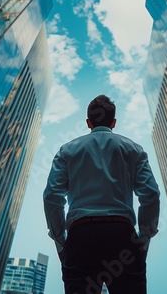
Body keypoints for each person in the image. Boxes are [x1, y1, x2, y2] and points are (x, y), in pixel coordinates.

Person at [43, 94, 160, 294]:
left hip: (81, 236)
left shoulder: (66, 151)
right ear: (114, 122)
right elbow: (150, 194)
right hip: (122, 235)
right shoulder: (135, 150)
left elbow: (52, 197)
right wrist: (143, 238)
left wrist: (61, 240)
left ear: (88, 122)